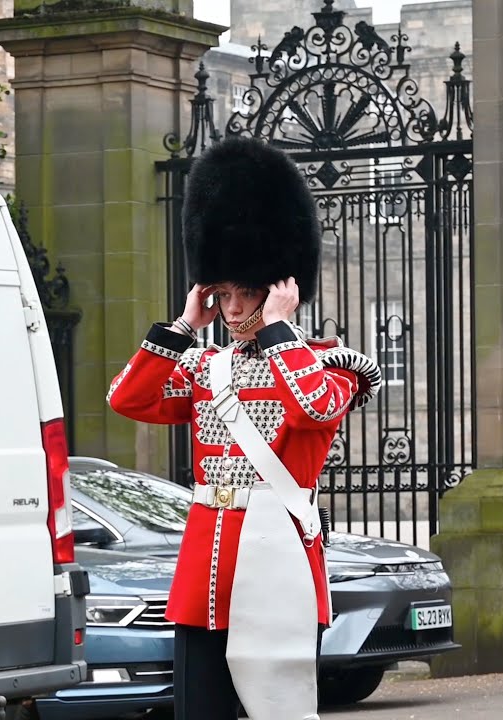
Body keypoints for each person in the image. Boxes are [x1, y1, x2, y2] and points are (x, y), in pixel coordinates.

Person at [107, 135, 382, 720]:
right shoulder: (206, 368)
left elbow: (313, 408)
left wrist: (280, 330)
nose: (232, 309)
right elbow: (127, 398)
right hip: (206, 567)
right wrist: (183, 324)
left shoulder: (332, 364)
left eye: (247, 292)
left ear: (282, 286)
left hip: (277, 559)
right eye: (223, 293)